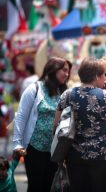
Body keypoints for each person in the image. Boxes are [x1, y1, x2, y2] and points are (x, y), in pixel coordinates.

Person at [53, 57, 106, 192]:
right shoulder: (104, 95)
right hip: (100, 154)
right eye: (103, 75)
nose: (105, 78)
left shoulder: (67, 94)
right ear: (97, 76)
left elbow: (56, 124)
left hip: (73, 154)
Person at [13, 57, 72, 192]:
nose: (67, 74)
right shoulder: (34, 89)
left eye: (68, 71)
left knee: (49, 186)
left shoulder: (63, 92)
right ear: (53, 69)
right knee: (35, 186)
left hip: (54, 149)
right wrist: (17, 144)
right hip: (34, 147)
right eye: (64, 70)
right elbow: (21, 116)